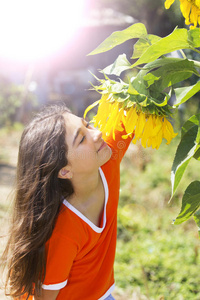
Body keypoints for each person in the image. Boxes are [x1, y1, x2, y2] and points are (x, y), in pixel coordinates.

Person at [2, 104, 132, 300]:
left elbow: (133, 108)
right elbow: (45, 297)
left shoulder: (106, 158)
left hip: (103, 294)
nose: (97, 134)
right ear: (64, 170)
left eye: (88, 125)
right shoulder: (63, 231)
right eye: (82, 139)